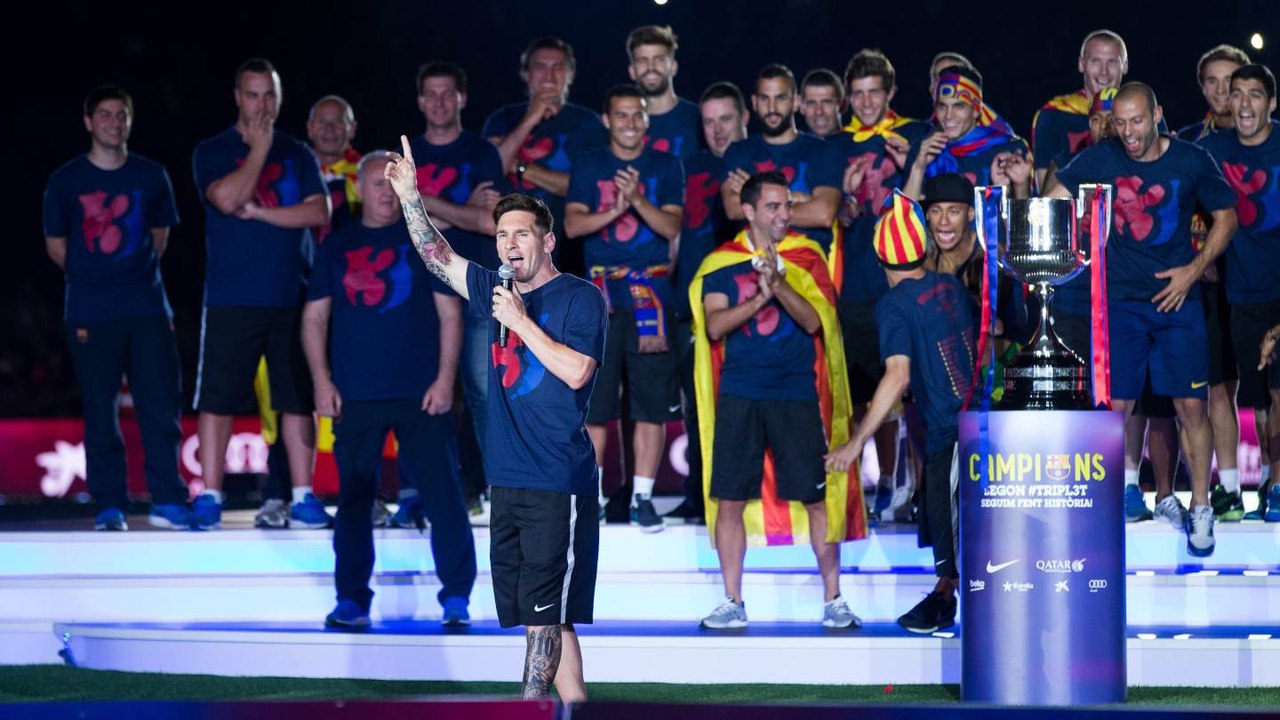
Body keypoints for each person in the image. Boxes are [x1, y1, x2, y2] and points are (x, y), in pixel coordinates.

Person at [385, 135, 606, 702]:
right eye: (502, 233)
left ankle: (531, 708)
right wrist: (413, 197)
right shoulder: (493, 287)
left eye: (521, 233)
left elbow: (578, 372)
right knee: (544, 612)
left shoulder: (580, 298)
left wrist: (522, 321)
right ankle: (576, 707)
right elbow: (437, 256)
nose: (509, 243)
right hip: (507, 478)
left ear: (546, 240)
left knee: (543, 608)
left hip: (558, 478)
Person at [1049, 82, 1239, 556]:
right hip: (1121, 305)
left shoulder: (1192, 159)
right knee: (1114, 410)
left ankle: (1200, 507)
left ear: (1157, 113)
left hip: (1177, 302)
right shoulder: (1101, 159)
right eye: (1120, 123)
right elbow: (1052, 195)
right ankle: (1106, 504)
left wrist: (1192, 272)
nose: (1129, 133)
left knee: (1191, 407)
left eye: (1137, 121)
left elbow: (1228, 218)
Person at [304, 151, 477, 630]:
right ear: (358, 187)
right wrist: (321, 380)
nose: (385, 190)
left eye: (393, 182)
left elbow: (450, 314)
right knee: (355, 504)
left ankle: (457, 598)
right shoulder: (336, 246)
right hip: (356, 394)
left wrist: (445, 380)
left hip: (422, 392)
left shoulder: (425, 241)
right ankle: (352, 600)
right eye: (376, 182)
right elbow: (314, 316)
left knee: (443, 497)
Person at [691, 170, 862, 631]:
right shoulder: (719, 264)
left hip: (795, 393)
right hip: (740, 394)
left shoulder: (806, 258)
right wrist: (760, 296)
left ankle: (834, 599)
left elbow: (815, 322)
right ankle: (732, 600)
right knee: (729, 498)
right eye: (774, 206)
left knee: (814, 496)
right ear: (748, 211)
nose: (785, 214)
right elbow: (714, 326)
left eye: (787, 205)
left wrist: (780, 284)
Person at [826, 190, 978, 633]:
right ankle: (943, 598)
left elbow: (898, 375)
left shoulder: (893, 305)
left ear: (879, 255)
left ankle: (952, 603)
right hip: (979, 422)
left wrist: (855, 444)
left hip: (948, 434)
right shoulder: (948, 284)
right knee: (952, 527)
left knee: (952, 531)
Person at [42, 84, 191, 531]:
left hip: (146, 305)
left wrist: (128, 275)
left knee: (159, 404)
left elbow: (160, 238)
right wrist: (97, 276)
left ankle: (167, 499)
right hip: (89, 310)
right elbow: (55, 246)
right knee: (99, 409)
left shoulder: (151, 176)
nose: (113, 122)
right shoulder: (65, 181)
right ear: (89, 123)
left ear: (129, 120)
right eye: (104, 115)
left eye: (121, 114)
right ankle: (110, 504)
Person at [191, 58, 331, 530]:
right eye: (252, 95)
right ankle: (209, 495)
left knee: (295, 399)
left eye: (269, 95)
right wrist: (260, 149)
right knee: (218, 397)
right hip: (231, 297)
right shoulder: (214, 150)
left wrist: (265, 214)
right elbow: (227, 199)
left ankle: (303, 495)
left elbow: (318, 211)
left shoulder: (298, 152)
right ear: (237, 97)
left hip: (292, 293)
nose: (261, 105)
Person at [564, 84, 684, 531]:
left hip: (652, 295)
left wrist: (636, 200)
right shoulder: (591, 163)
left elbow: (672, 224)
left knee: (651, 404)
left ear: (647, 120)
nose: (630, 123)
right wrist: (615, 210)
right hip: (600, 298)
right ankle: (591, 499)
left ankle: (642, 498)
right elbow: (573, 225)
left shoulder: (665, 164)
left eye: (638, 115)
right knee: (596, 405)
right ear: (607, 119)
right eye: (622, 115)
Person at [829, 49, 932, 520]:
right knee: (865, 387)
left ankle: (922, 486)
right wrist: (848, 200)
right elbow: (841, 213)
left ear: (891, 93)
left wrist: (912, 163)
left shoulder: (914, 134)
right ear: (847, 98)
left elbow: (935, 204)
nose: (867, 102)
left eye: (876, 92)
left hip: (907, 280)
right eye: (858, 94)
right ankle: (885, 482)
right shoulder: (836, 143)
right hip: (854, 283)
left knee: (913, 388)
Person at [253, 93, 364, 531]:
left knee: (355, 398)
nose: (331, 129)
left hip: (354, 303)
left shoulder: (370, 173)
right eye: (323, 121)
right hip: (294, 298)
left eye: (341, 121)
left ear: (352, 128)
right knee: (288, 396)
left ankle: (363, 495)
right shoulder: (288, 172)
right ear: (309, 127)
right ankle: (280, 494)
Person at [410, 60, 512, 523]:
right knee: (422, 392)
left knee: (484, 394)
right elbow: (396, 215)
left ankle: (497, 492)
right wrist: (460, 211)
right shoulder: (408, 156)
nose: (438, 102)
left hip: (475, 285)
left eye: (447, 93)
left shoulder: (481, 152)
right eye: (430, 94)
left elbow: (490, 223)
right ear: (419, 100)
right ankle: (426, 493)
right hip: (418, 293)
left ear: (462, 99)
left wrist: (420, 204)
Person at [1198, 64, 1280, 521]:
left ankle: (1278, 487)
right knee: (1260, 402)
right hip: (1243, 291)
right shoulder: (1210, 150)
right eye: (1237, 94)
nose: (1244, 103)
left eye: (1255, 94)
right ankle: (1269, 484)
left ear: (1271, 103)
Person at [667, 81, 748, 523]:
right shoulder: (689, 167)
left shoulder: (753, 164)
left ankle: (743, 501)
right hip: (690, 306)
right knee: (695, 405)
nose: (717, 130)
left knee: (741, 405)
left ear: (743, 119)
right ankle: (700, 497)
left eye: (726, 120)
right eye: (709, 121)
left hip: (747, 305)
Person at [1181, 46, 1251, 523]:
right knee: (1210, 389)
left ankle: (1260, 484)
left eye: (1232, 81)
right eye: (1213, 81)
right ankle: (1222, 492)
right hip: (1202, 280)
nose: (1222, 90)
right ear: (1202, 86)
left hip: (1250, 279)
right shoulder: (1187, 143)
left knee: (1255, 392)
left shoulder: (1263, 141)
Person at [483, 36, 607, 276]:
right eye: (540, 67)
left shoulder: (587, 124)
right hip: (506, 250)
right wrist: (531, 117)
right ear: (525, 73)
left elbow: (581, 187)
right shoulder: (503, 119)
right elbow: (492, 169)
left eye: (558, 67)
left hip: (568, 250)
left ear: (570, 74)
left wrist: (518, 165)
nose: (549, 76)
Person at [721, 64, 843, 257]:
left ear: (796, 102)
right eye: (764, 99)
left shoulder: (823, 151)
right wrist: (802, 199)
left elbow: (823, 214)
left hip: (807, 266)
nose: (771, 108)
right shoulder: (739, 152)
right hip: (753, 263)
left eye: (780, 98)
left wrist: (756, 197)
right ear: (753, 102)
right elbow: (734, 209)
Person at [904, 65, 1030, 201]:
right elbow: (905, 217)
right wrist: (918, 167)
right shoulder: (923, 150)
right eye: (942, 106)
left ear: (976, 110)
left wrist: (1021, 185)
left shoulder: (1008, 148)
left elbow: (1026, 218)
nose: (948, 116)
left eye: (958, 106)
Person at [1032, 30, 1130, 189]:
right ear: (1081, 64)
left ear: (1124, 66)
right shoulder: (1054, 116)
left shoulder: (1141, 114)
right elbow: (1046, 191)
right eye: (1096, 61)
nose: (1104, 72)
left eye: (1112, 62)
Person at [626, 24, 700, 160]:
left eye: (659, 60)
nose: (651, 67)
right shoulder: (623, 125)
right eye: (642, 61)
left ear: (673, 67)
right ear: (632, 71)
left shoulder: (698, 119)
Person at [799, 68, 845, 139]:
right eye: (811, 103)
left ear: (842, 105)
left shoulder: (860, 146)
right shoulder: (793, 149)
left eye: (826, 103)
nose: (819, 112)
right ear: (802, 107)